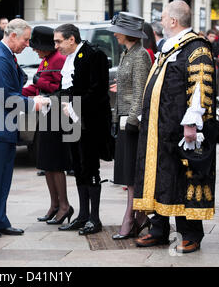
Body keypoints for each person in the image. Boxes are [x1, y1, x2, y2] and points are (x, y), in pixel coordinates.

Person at [134, 0, 217, 254]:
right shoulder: (168, 47)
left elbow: (200, 88)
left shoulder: (195, 48)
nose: (160, 21)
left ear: (173, 21)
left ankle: (191, 233)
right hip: (159, 129)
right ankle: (159, 229)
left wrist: (191, 124)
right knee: (162, 178)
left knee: (184, 180)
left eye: (163, 17)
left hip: (181, 130)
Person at [0, 18, 46, 238]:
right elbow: (7, 97)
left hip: (2, 126)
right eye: (25, 39)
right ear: (12, 35)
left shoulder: (6, 56)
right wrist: (35, 103)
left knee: (2, 179)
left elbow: (16, 84)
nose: (28, 44)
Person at [53, 24, 112, 236]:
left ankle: (94, 218)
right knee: (78, 167)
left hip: (91, 122)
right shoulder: (69, 59)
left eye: (59, 41)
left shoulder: (94, 55)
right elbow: (67, 88)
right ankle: (83, 215)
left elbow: (98, 92)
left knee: (90, 167)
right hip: (73, 120)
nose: (56, 46)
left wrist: (74, 105)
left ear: (72, 39)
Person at [105, 12, 152, 240]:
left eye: (117, 30)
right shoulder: (127, 54)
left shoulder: (140, 55)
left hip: (132, 123)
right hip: (123, 120)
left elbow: (141, 92)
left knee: (132, 175)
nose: (114, 34)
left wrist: (131, 122)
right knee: (126, 174)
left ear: (127, 33)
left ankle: (132, 217)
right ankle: (137, 216)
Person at [21, 26, 72, 224]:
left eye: (36, 47)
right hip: (46, 112)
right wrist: (21, 93)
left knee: (55, 162)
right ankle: (54, 204)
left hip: (58, 113)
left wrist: (40, 85)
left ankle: (64, 205)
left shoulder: (58, 59)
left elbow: (61, 86)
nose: (34, 50)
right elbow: (38, 85)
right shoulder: (47, 59)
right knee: (45, 162)